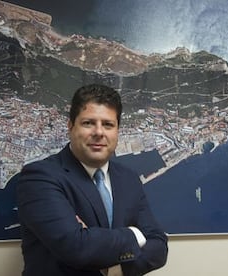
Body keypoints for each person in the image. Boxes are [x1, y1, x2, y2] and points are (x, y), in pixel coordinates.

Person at [16, 83, 168, 276]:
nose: (99, 132)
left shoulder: (128, 179)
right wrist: (135, 234)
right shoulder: (39, 177)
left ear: (117, 130)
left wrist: (113, 268)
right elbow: (76, 247)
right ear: (71, 126)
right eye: (88, 123)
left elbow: (159, 246)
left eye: (108, 124)